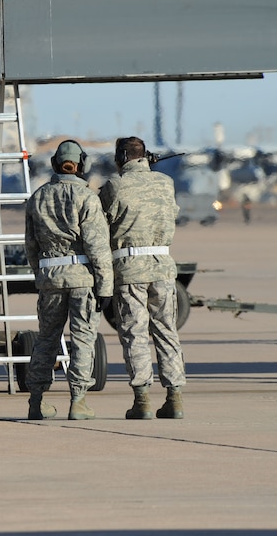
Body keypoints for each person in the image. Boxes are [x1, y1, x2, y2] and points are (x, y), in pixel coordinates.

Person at [24, 140, 113, 420]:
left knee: (46, 340)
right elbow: (98, 247)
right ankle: (78, 400)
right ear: (82, 166)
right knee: (83, 339)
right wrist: (105, 286)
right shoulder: (87, 198)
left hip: (50, 278)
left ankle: (36, 400)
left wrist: (42, 273)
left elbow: (30, 246)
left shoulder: (38, 197)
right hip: (81, 279)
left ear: (54, 164)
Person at [99, 136, 186, 419]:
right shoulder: (165, 182)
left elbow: (102, 216)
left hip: (130, 267)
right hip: (162, 264)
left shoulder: (115, 184)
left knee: (135, 333)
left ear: (122, 157)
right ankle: (175, 397)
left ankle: (142, 399)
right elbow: (172, 213)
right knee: (166, 330)